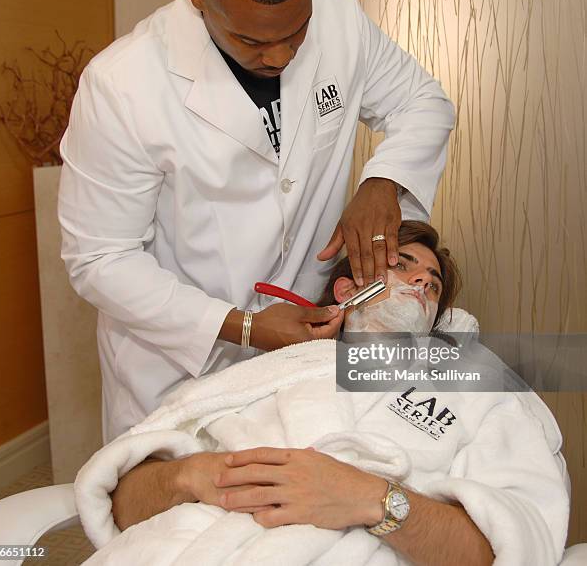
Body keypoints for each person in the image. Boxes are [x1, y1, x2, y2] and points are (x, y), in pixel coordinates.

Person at [58, 0, 456, 442]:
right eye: (252, 41)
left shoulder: (341, 18)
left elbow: (423, 102)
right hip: (180, 371)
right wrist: (243, 327)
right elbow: (100, 259)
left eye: (297, 31)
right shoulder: (122, 85)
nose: (281, 56)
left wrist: (384, 181)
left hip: (303, 363)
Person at [74, 222, 569, 565]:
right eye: (402, 265)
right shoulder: (268, 372)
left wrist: (374, 500)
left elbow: (517, 543)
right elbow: (120, 501)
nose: (422, 280)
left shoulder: (476, 387)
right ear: (347, 291)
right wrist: (193, 476)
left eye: (433, 284)